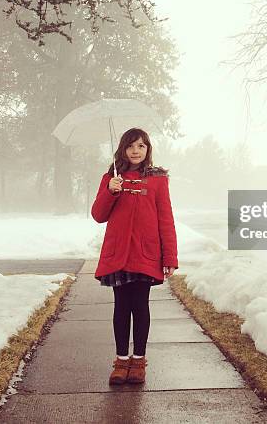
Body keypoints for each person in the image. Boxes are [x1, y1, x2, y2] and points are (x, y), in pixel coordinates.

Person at [91, 127, 178, 385]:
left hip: (146, 253)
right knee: (121, 307)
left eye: (141, 146)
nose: (136, 151)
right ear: (123, 149)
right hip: (119, 253)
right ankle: (121, 361)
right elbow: (98, 215)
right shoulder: (111, 177)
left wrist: (170, 257)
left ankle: (138, 361)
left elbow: (166, 219)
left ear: (148, 149)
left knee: (140, 306)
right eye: (131, 146)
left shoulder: (158, 179)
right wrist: (111, 190)